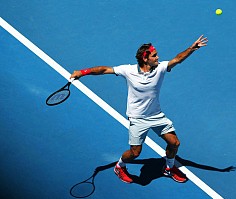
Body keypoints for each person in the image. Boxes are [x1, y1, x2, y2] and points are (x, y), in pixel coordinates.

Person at [70, 35, 208, 183]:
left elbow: (178, 59)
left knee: (174, 143)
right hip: (137, 118)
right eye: (154, 55)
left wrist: (192, 48)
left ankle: (168, 168)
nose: (158, 57)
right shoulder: (128, 70)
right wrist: (82, 72)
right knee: (135, 153)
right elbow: (104, 69)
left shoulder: (160, 68)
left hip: (156, 115)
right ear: (145, 58)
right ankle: (119, 166)